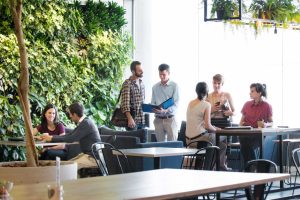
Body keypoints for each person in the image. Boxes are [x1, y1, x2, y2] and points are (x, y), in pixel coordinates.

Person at [41, 102, 101, 169]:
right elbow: (70, 135)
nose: (70, 116)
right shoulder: (84, 122)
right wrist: (51, 137)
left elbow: (71, 138)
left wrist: (51, 138)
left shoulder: (86, 123)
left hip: (93, 158)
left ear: (74, 114)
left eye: (70, 114)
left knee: (68, 168)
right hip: (87, 155)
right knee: (66, 164)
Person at [186, 82, 230, 171]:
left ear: (196, 91)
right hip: (200, 139)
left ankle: (215, 166)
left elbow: (199, 122)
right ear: (207, 92)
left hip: (188, 140)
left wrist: (213, 127)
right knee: (223, 136)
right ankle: (210, 167)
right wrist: (216, 130)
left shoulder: (190, 103)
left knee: (221, 145)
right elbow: (207, 126)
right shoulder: (206, 104)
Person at [239, 83, 273, 166]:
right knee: (244, 140)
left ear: (259, 93)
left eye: (252, 91)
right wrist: (242, 125)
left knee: (245, 144)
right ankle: (253, 166)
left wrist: (265, 124)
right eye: (250, 91)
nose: (250, 93)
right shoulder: (247, 104)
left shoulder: (267, 106)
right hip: (246, 133)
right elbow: (240, 122)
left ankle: (250, 167)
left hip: (258, 134)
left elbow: (271, 122)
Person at [151, 63, 179, 141]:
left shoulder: (175, 86)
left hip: (170, 119)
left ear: (168, 73)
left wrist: (166, 110)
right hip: (158, 120)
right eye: (160, 74)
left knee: (172, 147)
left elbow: (176, 104)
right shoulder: (155, 87)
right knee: (160, 147)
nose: (161, 76)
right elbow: (153, 102)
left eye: (164, 74)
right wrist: (152, 107)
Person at [120, 61, 145, 130]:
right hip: (132, 120)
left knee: (143, 140)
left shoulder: (141, 83)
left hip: (142, 119)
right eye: (140, 70)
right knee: (132, 140)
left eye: (142, 69)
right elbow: (125, 104)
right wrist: (129, 118)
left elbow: (142, 101)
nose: (142, 71)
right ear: (133, 71)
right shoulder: (127, 83)